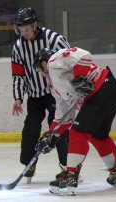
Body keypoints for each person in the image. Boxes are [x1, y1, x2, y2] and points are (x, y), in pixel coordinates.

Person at [33, 47, 116, 195]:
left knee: (77, 132)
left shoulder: (54, 62)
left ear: (43, 64)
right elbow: (64, 117)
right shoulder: (56, 86)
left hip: (102, 89)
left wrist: (80, 77)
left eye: (38, 70)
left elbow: (84, 55)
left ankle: (71, 176)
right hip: (112, 92)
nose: (41, 75)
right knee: (98, 136)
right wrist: (52, 136)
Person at [11, 7, 71, 183]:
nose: (24, 34)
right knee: (30, 129)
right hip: (35, 96)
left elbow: (70, 61)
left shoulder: (54, 39)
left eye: (27, 30)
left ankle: (68, 167)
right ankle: (29, 165)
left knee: (59, 130)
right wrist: (18, 97)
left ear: (35, 24)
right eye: (20, 30)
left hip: (56, 95)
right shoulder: (18, 47)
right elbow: (18, 74)